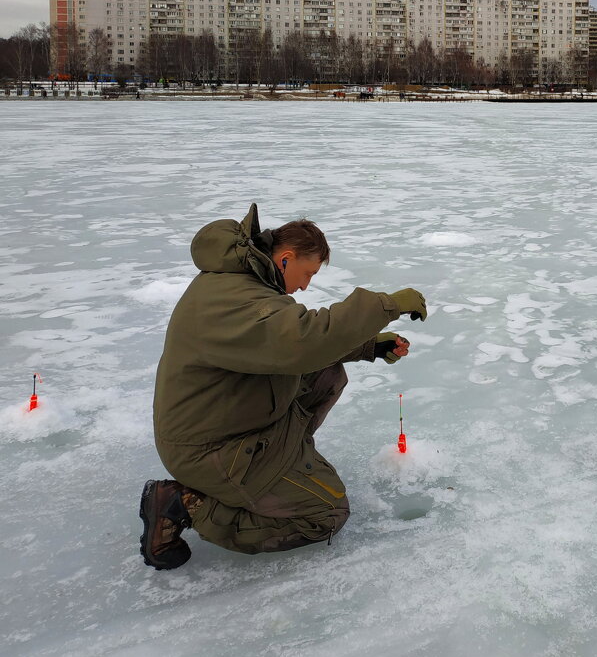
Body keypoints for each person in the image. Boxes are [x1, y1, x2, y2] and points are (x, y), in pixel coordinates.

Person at [140, 203, 427, 570]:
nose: (306, 285)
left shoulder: (242, 282)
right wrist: (385, 306)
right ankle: (185, 504)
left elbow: (283, 341)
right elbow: (299, 340)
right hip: (210, 449)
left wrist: (370, 346)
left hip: (233, 421)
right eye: (306, 274)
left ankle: (281, 465)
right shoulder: (232, 298)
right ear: (286, 258)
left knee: (326, 373)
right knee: (325, 514)